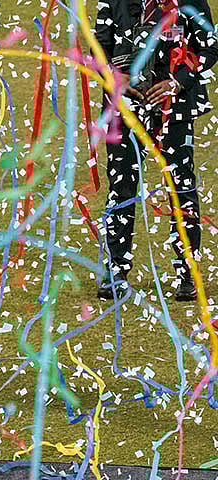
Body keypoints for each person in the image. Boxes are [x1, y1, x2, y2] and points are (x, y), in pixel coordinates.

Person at [94, 0, 217, 300]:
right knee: (121, 186)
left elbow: (210, 46)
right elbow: (99, 45)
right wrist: (113, 75)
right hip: (124, 104)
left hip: (173, 104)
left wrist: (178, 82)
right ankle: (115, 271)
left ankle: (188, 273)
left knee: (180, 185)